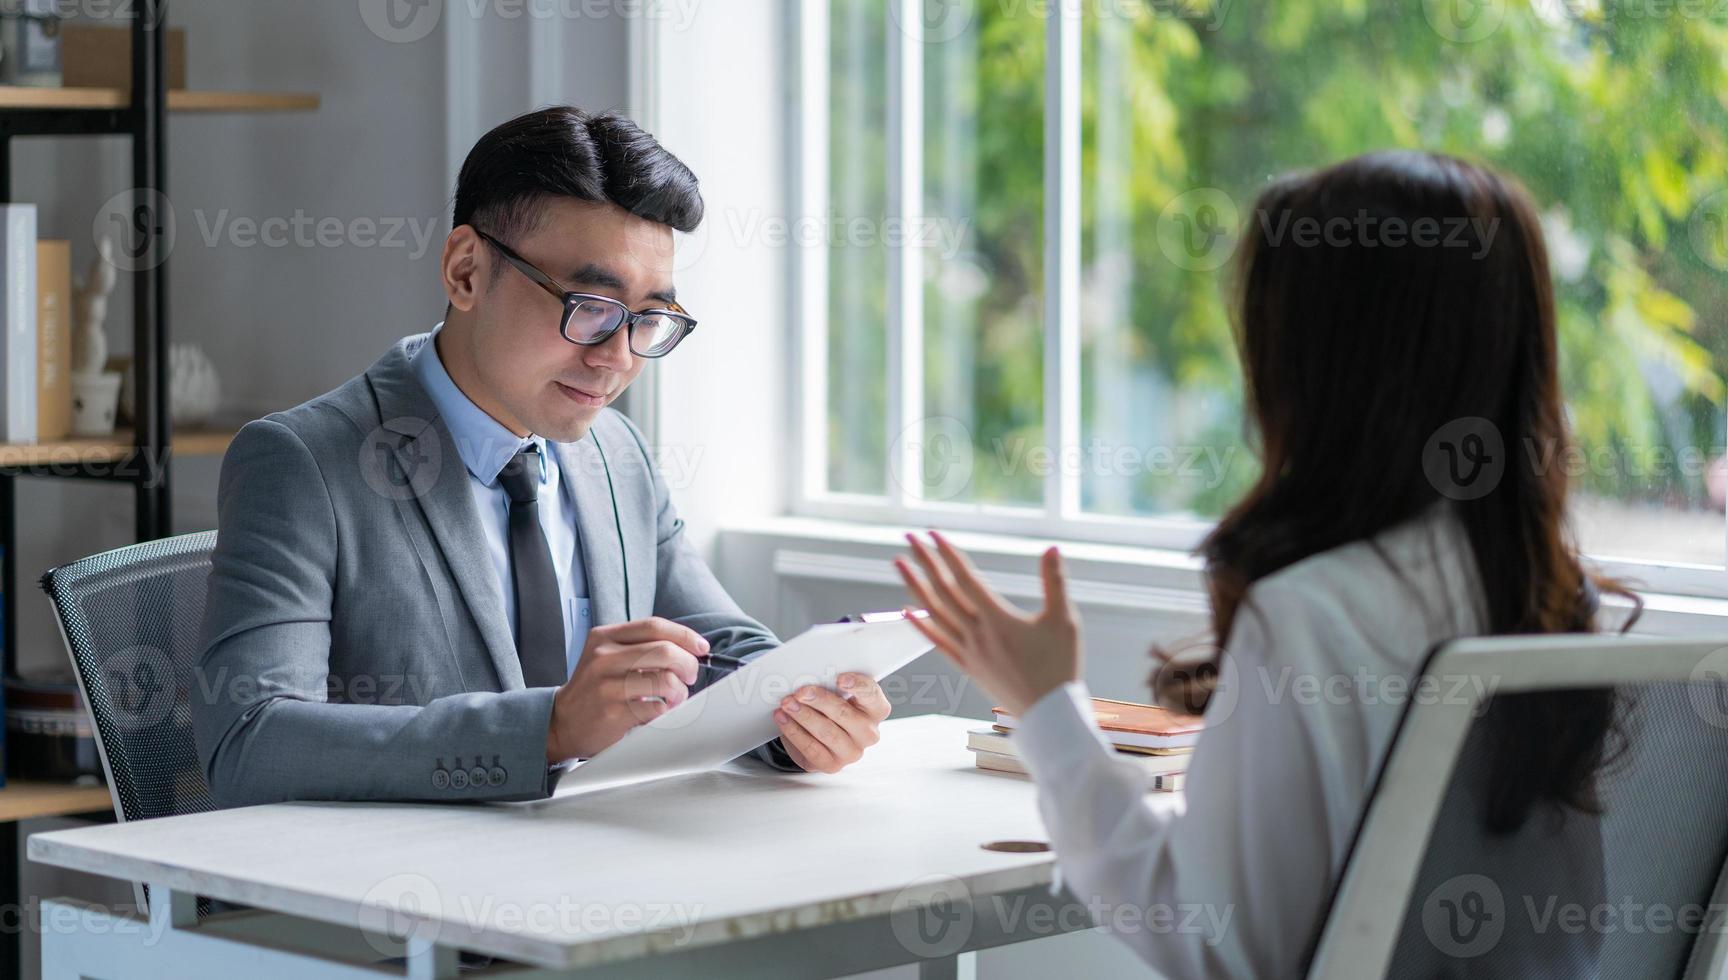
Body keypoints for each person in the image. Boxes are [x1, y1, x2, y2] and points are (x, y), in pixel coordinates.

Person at [896, 150, 1635, 977]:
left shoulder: (1313, 613)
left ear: (1317, 367)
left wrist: (1046, 710)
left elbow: (1215, 945)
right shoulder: (1555, 604)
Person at [194, 106, 890, 806]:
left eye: (649, 318)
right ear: (466, 271)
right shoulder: (302, 464)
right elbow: (252, 743)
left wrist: (794, 713)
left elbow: (720, 645)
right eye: (590, 305)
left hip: (599, 873)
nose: (617, 359)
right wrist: (547, 731)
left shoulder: (617, 454)